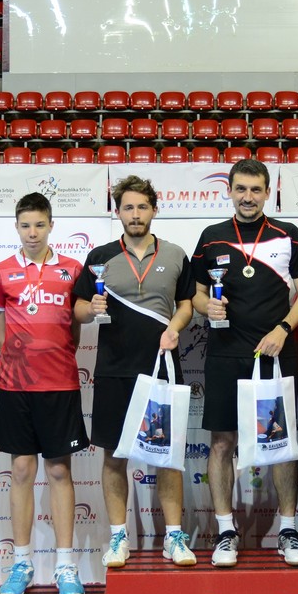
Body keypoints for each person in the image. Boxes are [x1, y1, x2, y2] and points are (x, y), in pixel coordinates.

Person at [191, 158, 298, 567]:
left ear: (267, 192)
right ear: (229, 191)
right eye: (241, 189)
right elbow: (195, 294)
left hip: (275, 353)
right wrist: (206, 307)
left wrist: (284, 328)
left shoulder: (288, 234)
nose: (248, 197)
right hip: (225, 353)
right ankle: (226, 531)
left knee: (280, 444)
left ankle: (288, 530)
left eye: (255, 189)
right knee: (222, 442)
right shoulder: (211, 237)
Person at [74, 175, 197, 568]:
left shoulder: (175, 254)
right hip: (113, 370)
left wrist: (175, 328)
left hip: (161, 368)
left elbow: (186, 304)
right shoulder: (100, 257)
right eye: (128, 207)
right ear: (118, 213)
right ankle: (118, 537)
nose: (136, 214)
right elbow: (77, 308)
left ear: (154, 210)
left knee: (167, 458)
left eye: (142, 206)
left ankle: (173, 537)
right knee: (114, 456)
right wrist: (91, 309)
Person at [0, 192, 90, 594]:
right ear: (16, 227)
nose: (33, 233)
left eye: (39, 225)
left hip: (60, 385)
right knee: (21, 470)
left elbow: (74, 330)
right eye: (26, 225)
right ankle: (22, 563)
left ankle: (66, 565)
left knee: (60, 471)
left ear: (51, 226)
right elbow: (0, 334)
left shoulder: (72, 270)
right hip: (16, 387)